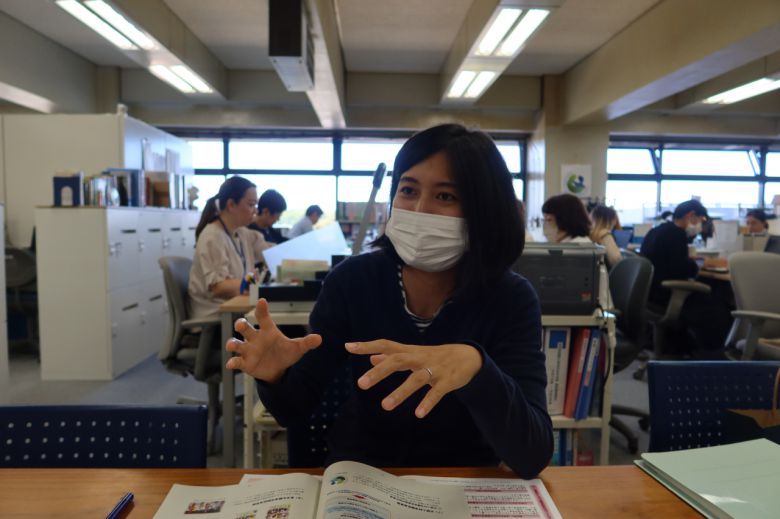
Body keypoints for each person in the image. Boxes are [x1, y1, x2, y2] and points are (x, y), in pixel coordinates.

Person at [226, 124, 552, 478]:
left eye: (446, 196)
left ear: (484, 209)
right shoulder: (353, 281)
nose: (420, 209)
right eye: (408, 190)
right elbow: (296, 407)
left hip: (462, 479)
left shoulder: (511, 298)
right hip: (361, 475)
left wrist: (477, 369)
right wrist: (275, 376)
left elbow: (533, 454)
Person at [640, 199, 731, 354]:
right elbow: (681, 270)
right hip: (665, 295)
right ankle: (712, 354)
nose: (700, 226)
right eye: (701, 221)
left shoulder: (658, 230)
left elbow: (669, 261)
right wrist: (696, 265)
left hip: (649, 294)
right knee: (719, 303)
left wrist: (690, 261)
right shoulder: (676, 233)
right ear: (691, 215)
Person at [189, 176, 273, 319]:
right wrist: (254, 285)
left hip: (237, 312)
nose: (255, 211)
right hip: (217, 319)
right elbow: (219, 287)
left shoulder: (240, 232)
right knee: (290, 330)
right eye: (251, 205)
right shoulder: (213, 236)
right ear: (231, 204)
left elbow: (267, 250)